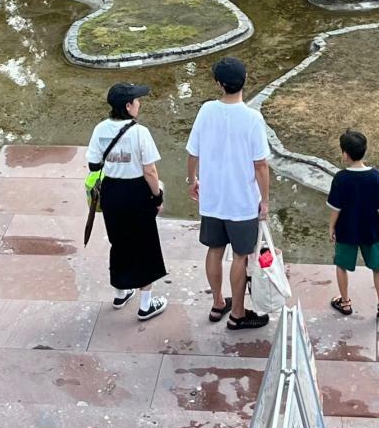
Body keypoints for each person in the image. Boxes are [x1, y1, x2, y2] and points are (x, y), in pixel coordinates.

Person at [185, 56, 272, 331]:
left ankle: (217, 303)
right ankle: (237, 313)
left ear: (219, 84)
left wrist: (192, 180)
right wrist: (265, 199)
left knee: (214, 249)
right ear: (244, 80)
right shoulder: (252, 118)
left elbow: (192, 152)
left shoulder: (206, 110)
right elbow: (260, 165)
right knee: (240, 256)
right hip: (241, 202)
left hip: (212, 199)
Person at [86, 81, 167, 320]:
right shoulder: (140, 133)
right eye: (137, 101)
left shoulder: (100, 129)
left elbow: (93, 163)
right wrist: (157, 196)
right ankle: (145, 304)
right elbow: (150, 171)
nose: (139, 104)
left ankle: (121, 292)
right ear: (128, 106)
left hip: (112, 191)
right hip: (136, 193)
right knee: (145, 245)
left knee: (119, 242)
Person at [327, 129, 379, 320]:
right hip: (370, 231)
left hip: (346, 231)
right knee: (377, 267)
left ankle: (345, 302)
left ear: (345, 154)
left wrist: (332, 227)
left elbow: (336, 208)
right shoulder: (375, 176)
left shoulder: (341, 178)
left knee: (341, 265)